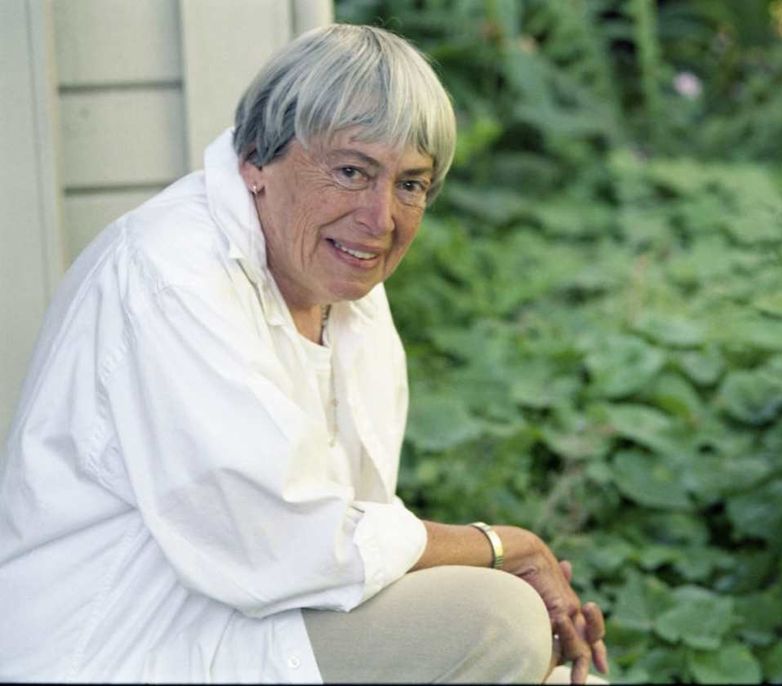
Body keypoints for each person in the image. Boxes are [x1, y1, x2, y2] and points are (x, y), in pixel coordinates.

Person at [0, 23, 608, 684]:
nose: (380, 219)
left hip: (256, 620)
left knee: (555, 674)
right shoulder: (172, 276)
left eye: (410, 184)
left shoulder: (344, 290)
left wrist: (493, 575)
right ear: (256, 159)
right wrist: (495, 548)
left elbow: (347, 552)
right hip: (125, 647)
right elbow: (287, 546)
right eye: (352, 171)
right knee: (497, 623)